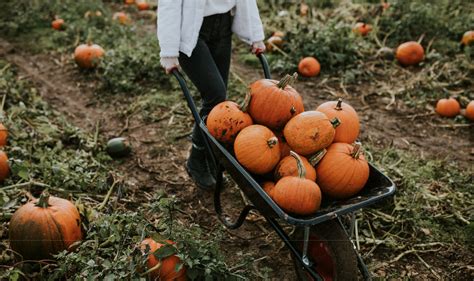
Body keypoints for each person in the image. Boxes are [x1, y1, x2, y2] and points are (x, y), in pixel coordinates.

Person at [157, 0, 266, 190]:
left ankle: (210, 154)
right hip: (191, 33)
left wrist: (255, 35)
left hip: (223, 27)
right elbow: (169, 4)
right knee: (215, 93)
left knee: (219, 102)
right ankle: (197, 158)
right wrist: (168, 50)